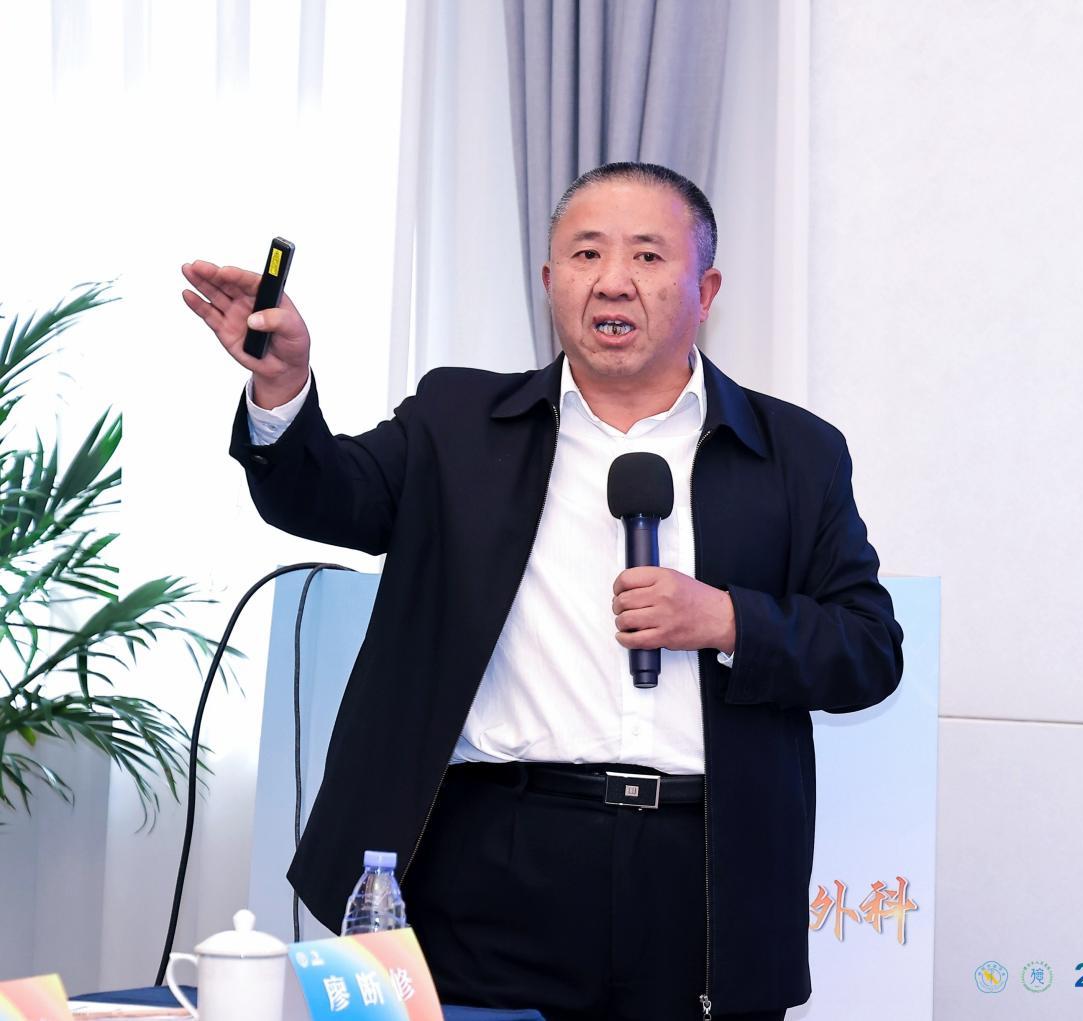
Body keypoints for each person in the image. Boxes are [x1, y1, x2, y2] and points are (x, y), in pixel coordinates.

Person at [181, 162, 903, 1021]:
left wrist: (725, 618)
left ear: (705, 289)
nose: (612, 280)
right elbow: (325, 496)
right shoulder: (459, 422)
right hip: (491, 859)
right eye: (586, 253)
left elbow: (868, 649)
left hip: (704, 868)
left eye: (646, 256)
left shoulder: (794, 453)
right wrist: (282, 387)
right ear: (550, 278)